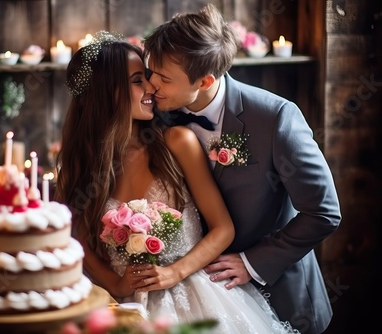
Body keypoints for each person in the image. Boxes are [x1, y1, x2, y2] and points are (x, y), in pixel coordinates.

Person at [55, 31, 299, 333]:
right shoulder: (81, 164)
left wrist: (173, 272)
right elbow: (79, 240)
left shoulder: (177, 142)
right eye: (137, 80)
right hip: (122, 303)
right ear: (108, 93)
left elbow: (223, 228)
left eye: (147, 76)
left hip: (195, 293)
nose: (151, 87)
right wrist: (116, 283)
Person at [142, 4, 341, 334]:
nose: (152, 85)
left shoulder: (275, 118)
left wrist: (252, 262)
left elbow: (324, 212)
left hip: (280, 294)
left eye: (164, 78)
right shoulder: (159, 114)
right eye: (151, 72)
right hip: (199, 300)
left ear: (205, 80)